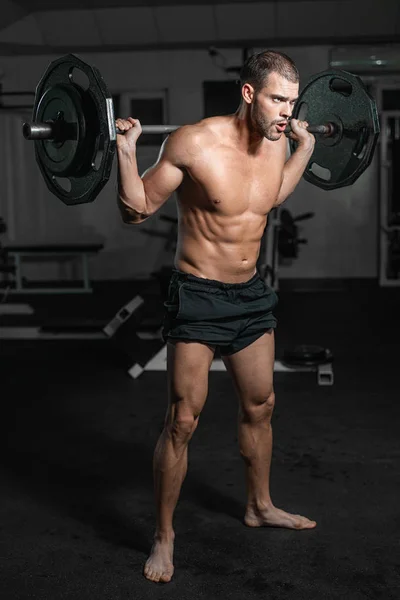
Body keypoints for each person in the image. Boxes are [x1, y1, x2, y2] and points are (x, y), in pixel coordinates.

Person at [116, 50, 317, 585]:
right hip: (199, 296)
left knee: (262, 405)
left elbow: (268, 199)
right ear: (249, 94)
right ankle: (164, 534)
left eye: (292, 102)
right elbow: (135, 210)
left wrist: (306, 148)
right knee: (183, 419)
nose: (286, 111)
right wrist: (126, 151)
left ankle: (259, 505)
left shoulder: (278, 142)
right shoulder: (192, 142)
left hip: (250, 295)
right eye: (278, 99)